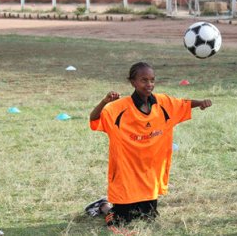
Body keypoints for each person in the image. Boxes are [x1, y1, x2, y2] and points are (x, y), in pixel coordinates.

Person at [84, 61, 212, 227]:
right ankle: (103, 206)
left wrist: (201, 102)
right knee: (121, 221)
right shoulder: (118, 109)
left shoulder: (163, 103)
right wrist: (104, 102)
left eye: (152, 80)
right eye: (144, 80)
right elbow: (94, 119)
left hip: (149, 175)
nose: (149, 84)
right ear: (133, 82)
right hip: (126, 175)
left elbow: (183, 104)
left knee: (148, 217)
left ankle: (124, 205)